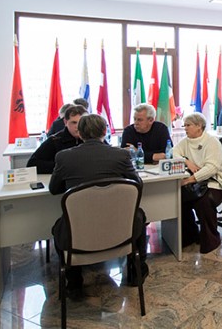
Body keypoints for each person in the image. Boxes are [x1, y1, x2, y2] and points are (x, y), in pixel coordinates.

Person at [48, 114, 148, 298]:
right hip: (118, 228)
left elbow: (54, 189)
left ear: (80, 133)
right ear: (104, 131)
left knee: (58, 226)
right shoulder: (121, 155)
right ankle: (137, 270)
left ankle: (74, 281)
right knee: (140, 215)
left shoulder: (64, 157)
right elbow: (137, 184)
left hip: (79, 230)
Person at [173, 113, 222, 253]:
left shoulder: (212, 142)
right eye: (184, 125)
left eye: (188, 125)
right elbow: (173, 152)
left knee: (202, 202)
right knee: (179, 199)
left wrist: (189, 180)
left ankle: (211, 240)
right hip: (196, 183)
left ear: (199, 126)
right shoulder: (186, 141)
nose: (185, 128)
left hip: (216, 183)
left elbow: (212, 168)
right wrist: (186, 161)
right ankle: (190, 236)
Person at [27, 104, 87, 173]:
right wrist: (62, 166)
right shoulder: (55, 140)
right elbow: (32, 164)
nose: (78, 126)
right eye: (74, 122)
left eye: (81, 123)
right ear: (65, 122)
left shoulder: (92, 139)